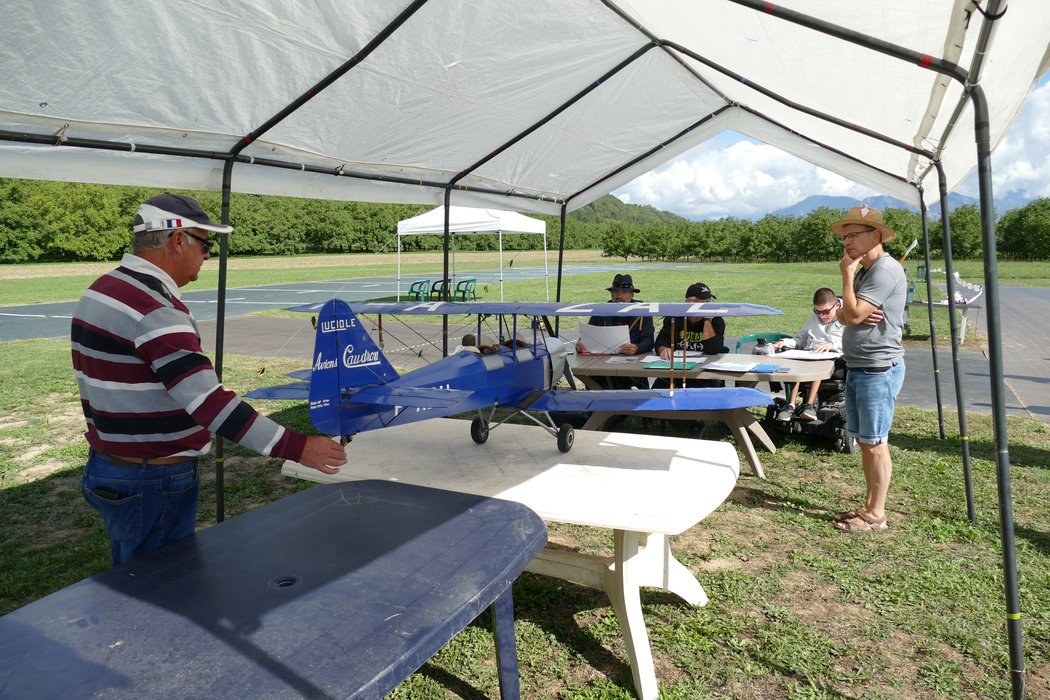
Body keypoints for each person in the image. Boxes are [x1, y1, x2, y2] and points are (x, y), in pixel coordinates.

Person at [72, 193, 347, 565]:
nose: (207, 256)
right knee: (159, 583)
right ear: (178, 240)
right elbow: (208, 403)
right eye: (205, 245)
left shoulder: (102, 289)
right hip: (152, 477)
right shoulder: (155, 309)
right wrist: (295, 446)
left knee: (134, 574)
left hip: (113, 465)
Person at [829, 205, 907, 535]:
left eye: (853, 235)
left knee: (875, 443)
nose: (846, 242)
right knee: (864, 441)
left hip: (878, 369)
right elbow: (842, 315)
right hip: (861, 366)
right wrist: (851, 310)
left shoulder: (884, 271)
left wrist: (846, 277)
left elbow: (853, 314)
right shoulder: (867, 269)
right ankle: (869, 506)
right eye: (844, 237)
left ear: (875, 235)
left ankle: (877, 514)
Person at [773, 287, 844, 421]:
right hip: (810, 353)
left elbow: (854, 342)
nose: (822, 316)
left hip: (833, 357)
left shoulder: (848, 316)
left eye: (825, 312)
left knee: (817, 363)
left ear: (837, 305)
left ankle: (809, 405)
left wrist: (832, 344)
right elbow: (801, 338)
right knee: (797, 361)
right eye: (818, 311)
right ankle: (791, 405)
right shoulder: (813, 318)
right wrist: (784, 342)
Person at [575, 273, 654, 390]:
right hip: (602, 364)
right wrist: (581, 343)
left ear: (632, 294)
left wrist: (637, 348)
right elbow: (589, 332)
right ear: (611, 294)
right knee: (594, 378)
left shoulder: (643, 312)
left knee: (622, 380)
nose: (619, 296)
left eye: (624, 292)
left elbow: (649, 340)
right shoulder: (601, 311)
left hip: (632, 364)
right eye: (616, 292)